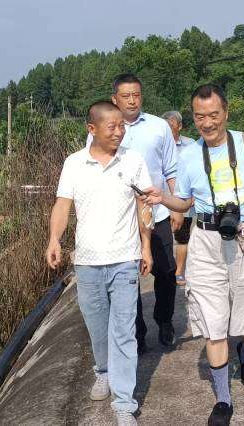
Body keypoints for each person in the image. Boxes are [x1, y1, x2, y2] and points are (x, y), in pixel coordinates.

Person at [143, 84, 244, 426]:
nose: (206, 123)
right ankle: (223, 400)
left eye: (213, 115)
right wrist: (161, 198)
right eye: (199, 116)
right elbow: (186, 203)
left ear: (226, 112)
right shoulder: (189, 155)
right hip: (205, 241)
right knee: (213, 323)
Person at [46, 101, 153, 426]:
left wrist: (146, 246)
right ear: (92, 129)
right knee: (97, 328)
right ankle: (103, 371)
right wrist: (54, 239)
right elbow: (63, 205)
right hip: (88, 262)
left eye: (122, 126)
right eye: (112, 127)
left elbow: (143, 206)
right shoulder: (74, 164)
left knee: (124, 331)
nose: (119, 132)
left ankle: (124, 404)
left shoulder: (132, 161)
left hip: (124, 259)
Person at [88, 74, 181, 351]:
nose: (132, 100)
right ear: (114, 98)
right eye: (126, 96)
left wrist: (176, 206)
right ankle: (138, 334)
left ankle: (164, 320)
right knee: (130, 276)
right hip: (123, 220)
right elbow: (93, 168)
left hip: (159, 212)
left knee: (166, 271)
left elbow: (171, 169)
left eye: (136, 95)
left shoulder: (159, 127)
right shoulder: (101, 129)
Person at [161, 111, 195, 286]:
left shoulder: (191, 145)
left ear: (179, 126)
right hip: (161, 200)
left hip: (183, 199)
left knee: (182, 237)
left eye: (171, 127)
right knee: (163, 237)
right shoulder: (157, 145)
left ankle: (179, 271)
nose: (168, 131)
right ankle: (164, 270)